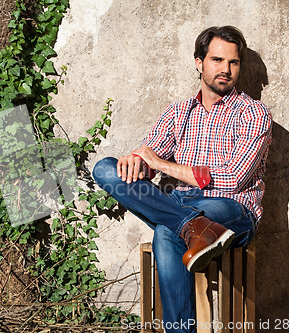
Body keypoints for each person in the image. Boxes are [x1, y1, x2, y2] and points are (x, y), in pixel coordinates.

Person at [92, 26, 272, 333]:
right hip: (179, 202)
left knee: (166, 232)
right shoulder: (177, 113)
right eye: (217, 60)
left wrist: (161, 164)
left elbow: (233, 180)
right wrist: (136, 162)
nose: (226, 70)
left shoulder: (254, 114)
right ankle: (191, 226)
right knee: (106, 170)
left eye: (233, 62)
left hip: (231, 210)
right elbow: (146, 165)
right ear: (199, 63)